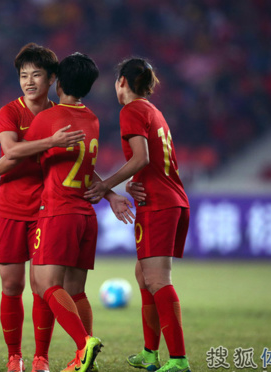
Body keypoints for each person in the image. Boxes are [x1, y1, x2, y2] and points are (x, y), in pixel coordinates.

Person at [0, 43, 85, 372]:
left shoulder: (59, 114)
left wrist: (107, 191)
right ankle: (14, 356)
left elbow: (78, 158)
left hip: (47, 209)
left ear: (52, 78)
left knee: (41, 287)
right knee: (11, 285)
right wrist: (50, 142)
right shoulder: (10, 111)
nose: (29, 81)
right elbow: (11, 149)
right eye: (23, 75)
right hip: (9, 208)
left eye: (36, 75)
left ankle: (41, 358)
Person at [23, 52, 133, 372]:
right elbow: (83, 167)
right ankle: (83, 358)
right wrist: (111, 195)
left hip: (58, 212)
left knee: (45, 285)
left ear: (56, 81)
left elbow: (21, 155)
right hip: (86, 214)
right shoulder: (92, 119)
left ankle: (84, 344)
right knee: (76, 290)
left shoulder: (47, 119)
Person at [84, 57, 191, 372]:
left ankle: (179, 359)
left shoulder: (131, 110)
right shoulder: (153, 112)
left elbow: (142, 157)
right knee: (144, 276)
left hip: (159, 204)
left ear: (122, 83)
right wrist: (134, 183)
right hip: (168, 198)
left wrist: (106, 185)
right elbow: (155, 161)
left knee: (157, 279)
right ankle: (149, 352)